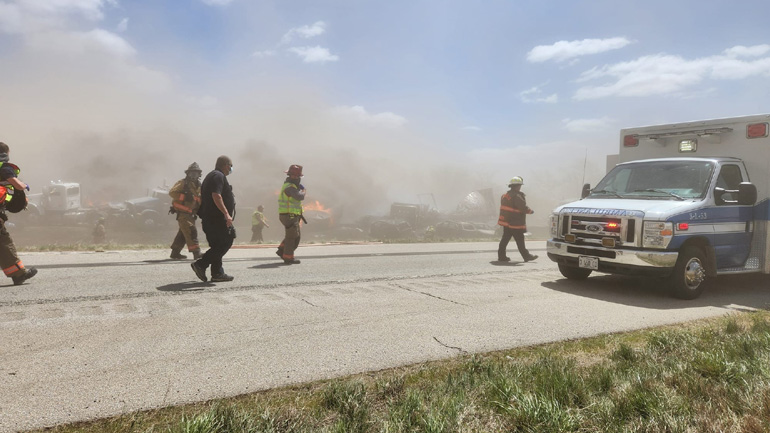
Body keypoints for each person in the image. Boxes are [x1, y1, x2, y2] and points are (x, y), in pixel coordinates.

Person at [191, 156, 236, 282]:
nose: (231, 168)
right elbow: (216, 195)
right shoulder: (218, 176)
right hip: (216, 219)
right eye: (231, 165)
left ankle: (217, 273)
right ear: (226, 165)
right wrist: (226, 214)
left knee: (217, 245)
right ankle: (201, 264)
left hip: (210, 219)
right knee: (226, 241)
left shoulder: (212, 176)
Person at [0, 142, 37, 285]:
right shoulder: (5, 168)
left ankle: (18, 274)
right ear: (6, 153)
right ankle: (18, 274)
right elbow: (17, 185)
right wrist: (25, 185)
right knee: (4, 243)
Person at [497, 176, 538, 263]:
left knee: (505, 240)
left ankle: (501, 256)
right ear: (517, 186)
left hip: (507, 222)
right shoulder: (517, 196)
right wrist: (530, 211)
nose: (520, 187)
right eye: (519, 185)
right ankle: (526, 256)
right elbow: (522, 207)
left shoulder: (505, 195)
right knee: (520, 240)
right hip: (515, 223)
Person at [169, 162, 203, 260]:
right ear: (187, 173)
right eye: (191, 173)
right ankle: (196, 253)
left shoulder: (199, 186)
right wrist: (184, 197)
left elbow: (199, 200)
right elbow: (172, 192)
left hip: (191, 214)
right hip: (183, 214)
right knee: (191, 230)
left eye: (196, 173)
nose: (193, 175)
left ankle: (175, 252)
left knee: (183, 233)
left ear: (199, 174)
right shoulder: (183, 183)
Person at [276, 164, 305, 264]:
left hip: (290, 215)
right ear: (289, 175)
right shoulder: (290, 187)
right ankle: (288, 257)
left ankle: (281, 250)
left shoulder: (291, 186)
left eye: (297, 176)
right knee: (292, 237)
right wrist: (303, 191)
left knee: (295, 236)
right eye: (294, 175)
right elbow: (299, 197)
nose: (296, 178)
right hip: (289, 216)